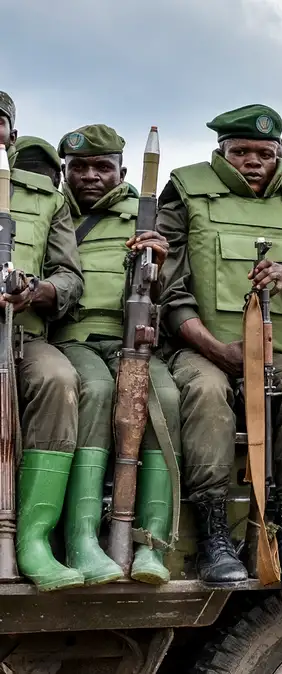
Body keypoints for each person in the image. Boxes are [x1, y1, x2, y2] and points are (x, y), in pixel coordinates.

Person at [157, 104, 282, 590]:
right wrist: (215, 349)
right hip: (204, 347)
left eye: (264, 152)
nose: (253, 161)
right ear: (221, 152)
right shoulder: (187, 191)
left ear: (280, 153)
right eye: (240, 151)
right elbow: (169, 290)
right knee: (205, 392)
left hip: (280, 351)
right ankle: (214, 533)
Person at [52, 124, 180, 586]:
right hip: (73, 339)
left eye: (102, 167)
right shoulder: (53, 212)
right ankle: (82, 539)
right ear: (64, 172)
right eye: (79, 167)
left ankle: (151, 544)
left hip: (134, 339)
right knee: (97, 389)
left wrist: (157, 265)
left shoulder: (145, 218)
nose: (90, 176)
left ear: (122, 173)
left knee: (165, 398)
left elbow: (173, 294)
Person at [0, 91, 86, 592]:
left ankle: (32, 539)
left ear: (12, 134)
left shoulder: (47, 198)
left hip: (23, 335)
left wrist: (35, 290)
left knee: (58, 378)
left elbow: (69, 277)